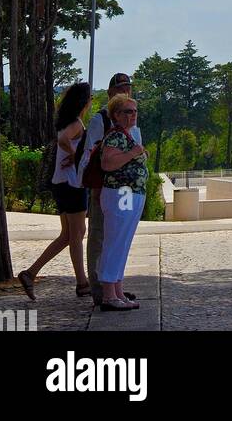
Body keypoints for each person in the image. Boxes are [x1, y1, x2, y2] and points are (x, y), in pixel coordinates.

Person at [17, 81, 92, 301]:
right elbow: (62, 140)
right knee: (77, 233)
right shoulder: (77, 123)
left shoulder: (66, 121)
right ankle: (82, 282)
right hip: (72, 184)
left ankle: (30, 273)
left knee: (68, 235)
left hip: (60, 183)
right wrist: (73, 155)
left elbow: (61, 138)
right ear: (84, 101)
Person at [80, 72, 141, 306]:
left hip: (128, 191)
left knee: (119, 237)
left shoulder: (131, 124)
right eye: (120, 88)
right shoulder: (101, 120)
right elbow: (91, 155)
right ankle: (100, 289)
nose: (125, 92)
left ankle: (115, 287)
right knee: (101, 237)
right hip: (108, 189)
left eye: (128, 88)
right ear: (110, 94)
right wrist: (95, 187)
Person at [98, 93, 147, 310]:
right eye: (128, 111)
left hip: (131, 194)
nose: (133, 115)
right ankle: (109, 295)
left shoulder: (127, 135)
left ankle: (117, 290)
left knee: (122, 243)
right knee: (115, 242)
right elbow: (108, 163)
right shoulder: (115, 136)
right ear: (116, 115)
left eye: (135, 111)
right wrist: (134, 153)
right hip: (121, 194)